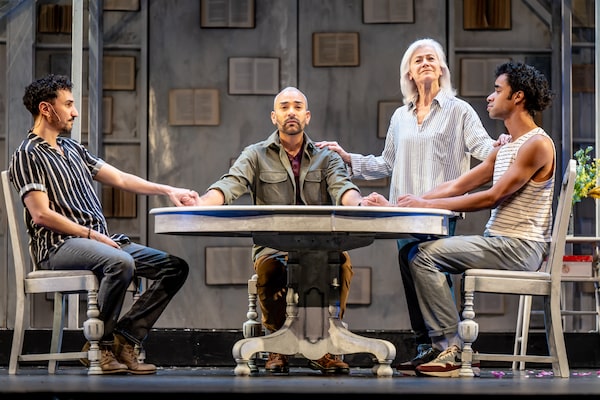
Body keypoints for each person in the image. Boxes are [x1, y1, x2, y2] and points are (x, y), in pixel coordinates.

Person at [315, 37, 509, 375]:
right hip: (402, 212)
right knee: (410, 273)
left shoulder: (459, 110)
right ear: (409, 72)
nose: (425, 63)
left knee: (433, 275)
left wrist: (502, 144)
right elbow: (386, 163)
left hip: (438, 212)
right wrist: (347, 158)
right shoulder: (400, 116)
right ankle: (426, 346)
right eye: (418, 60)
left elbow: (483, 147)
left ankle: (452, 347)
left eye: (431, 58)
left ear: (442, 68)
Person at [363, 61, 555, 377]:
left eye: (497, 90)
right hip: (500, 242)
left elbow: (492, 197)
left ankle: (452, 348)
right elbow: (458, 184)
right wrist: (403, 203)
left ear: (518, 97)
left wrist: (423, 203)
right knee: (410, 253)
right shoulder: (507, 146)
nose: (490, 97)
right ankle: (438, 345)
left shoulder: (537, 144)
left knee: (424, 257)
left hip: (519, 247)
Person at [8, 74, 196, 374]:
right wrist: (91, 234)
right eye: (68, 104)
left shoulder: (72, 149)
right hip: (58, 247)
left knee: (174, 268)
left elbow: (120, 178)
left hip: (97, 242)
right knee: (120, 262)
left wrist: (168, 190)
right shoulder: (27, 154)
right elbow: (41, 215)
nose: (74, 112)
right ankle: (102, 346)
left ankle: (125, 338)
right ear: (46, 109)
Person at [188, 86, 364, 375]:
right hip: (273, 246)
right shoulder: (255, 155)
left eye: (297, 106)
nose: (291, 112)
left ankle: (324, 341)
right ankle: (276, 344)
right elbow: (230, 184)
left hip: (320, 247)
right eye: (284, 107)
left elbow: (343, 188)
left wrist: (359, 203)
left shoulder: (327, 157)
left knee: (341, 263)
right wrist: (202, 201)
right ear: (274, 116)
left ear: (307, 116)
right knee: (270, 270)